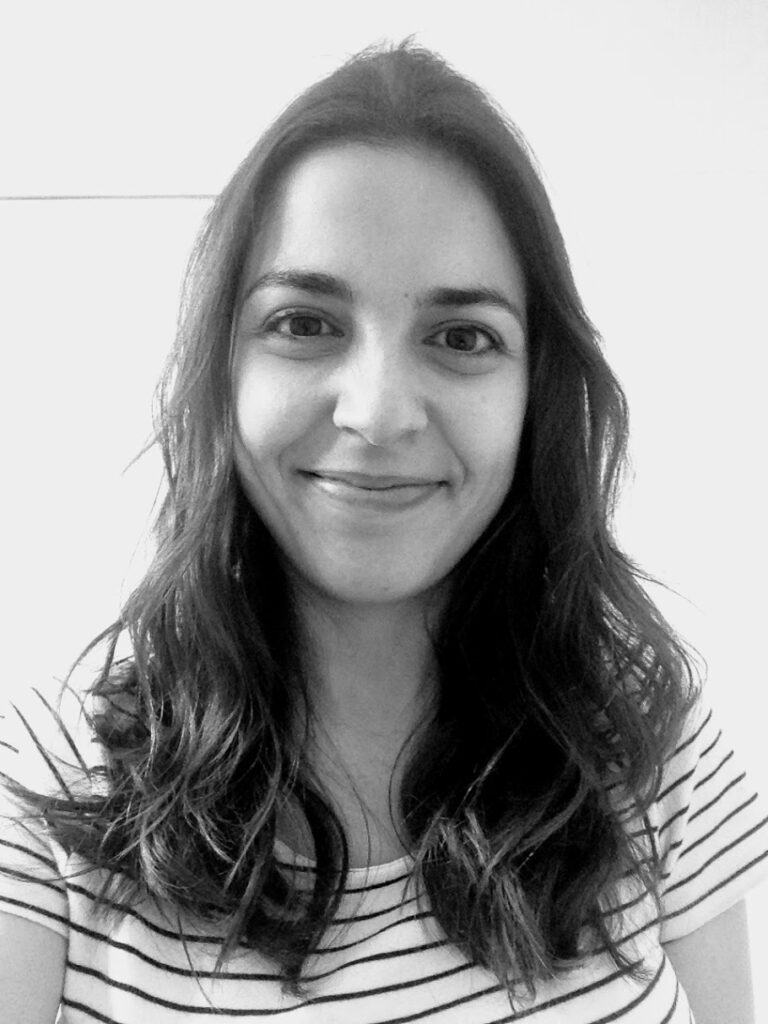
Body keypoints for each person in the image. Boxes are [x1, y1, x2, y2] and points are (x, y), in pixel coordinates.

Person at [0, 39, 766, 1024]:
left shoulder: (650, 744)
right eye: (304, 323)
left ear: (536, 394)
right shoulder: (45, 785)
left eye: (462, 337)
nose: (377, 411)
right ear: (221, 371)